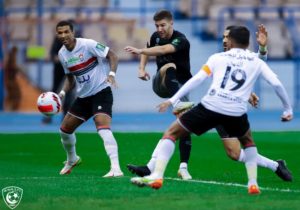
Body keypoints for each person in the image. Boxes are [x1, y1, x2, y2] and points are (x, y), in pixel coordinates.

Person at [130, 26, 293, 194]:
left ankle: (274, 165)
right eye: (222, 36)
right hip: (224, 107)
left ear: (233, 40)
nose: (224, 40)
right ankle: (154, 168)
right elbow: (239, 75)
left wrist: (263, 49)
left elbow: (256, 64)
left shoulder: (236, 58)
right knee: (181, 131)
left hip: (217, 107)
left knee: (233, 153)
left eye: (227, 37)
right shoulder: (220, 57)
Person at [124, 9, 194, 180]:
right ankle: (177, 105)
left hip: (182, 87)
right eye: (157, 25)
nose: (160, 29)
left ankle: (174, 167)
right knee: (169, 67)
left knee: (183, 126)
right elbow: (152, 48)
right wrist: (141, 68)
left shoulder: (181, 40)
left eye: (163, 25)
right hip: (162, 83)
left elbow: (163, 49)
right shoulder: (155, 36)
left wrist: (140, 51)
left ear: (171, 23)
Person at [55, 20, 123, 177]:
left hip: (101, 92)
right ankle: (72, 159)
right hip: (84, 97)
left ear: (73, 32)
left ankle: (116, 168)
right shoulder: (62, 54)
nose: (64, 35)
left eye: (67, 31)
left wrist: (111, 75)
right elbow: (70, 79)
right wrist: (63, 94)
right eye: (60, 32)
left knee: (102, 127)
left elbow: (113, 55)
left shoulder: (88, 44)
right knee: (65, 130)